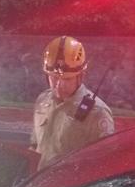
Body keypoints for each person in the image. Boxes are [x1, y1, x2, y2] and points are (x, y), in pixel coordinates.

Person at [32, 36, 114, 170]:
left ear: (81, 76)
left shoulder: (97, 113)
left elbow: (104, 165)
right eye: (54, 78)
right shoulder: (43, 102)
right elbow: (34, 146)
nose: (59, 85)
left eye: (67, 79)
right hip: (39, 181)